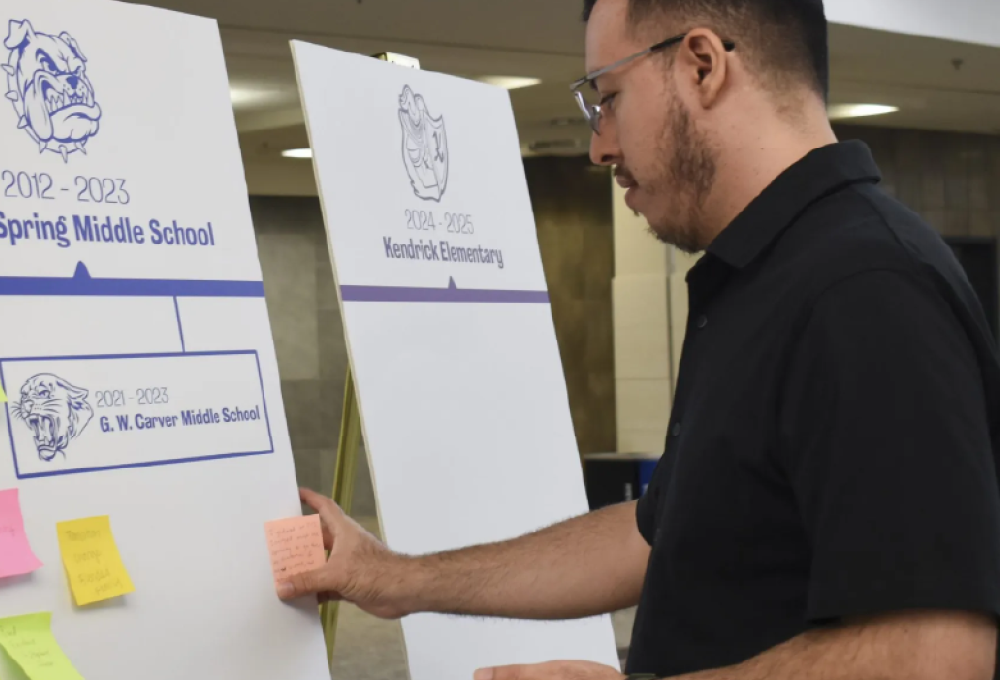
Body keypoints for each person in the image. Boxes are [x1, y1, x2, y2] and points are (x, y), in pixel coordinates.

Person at [276, 0, 1000, 678]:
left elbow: (936, 653)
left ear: (702, 65)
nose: (598, 146)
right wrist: (394, 577)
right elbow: (660, 533)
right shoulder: (759, 274)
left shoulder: (864, 287)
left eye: (608, 98)